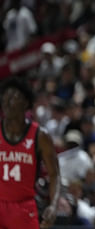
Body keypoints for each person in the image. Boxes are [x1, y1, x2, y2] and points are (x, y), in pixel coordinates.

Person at [0, 77, 61, 229]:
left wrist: (53, 205)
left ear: (26, 103)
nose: (7, 103)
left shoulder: (40, 136)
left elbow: (54, 175)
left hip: (24, 207)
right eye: (5, 98)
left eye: (13, 98)